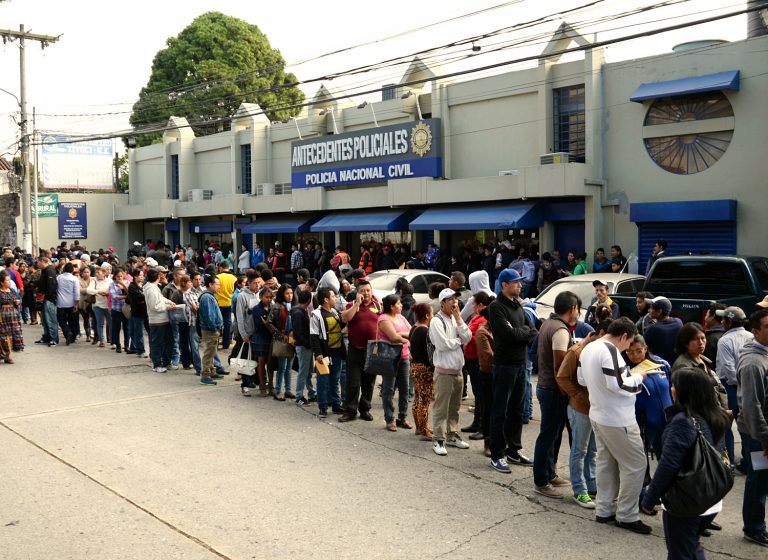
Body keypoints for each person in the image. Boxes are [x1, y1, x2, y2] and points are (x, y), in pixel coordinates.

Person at [640, 367, 731, 558]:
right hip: (711, 498)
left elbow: (668, 465)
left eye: (674, 386)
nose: (671, 389)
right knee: (691, 546)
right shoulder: (718, 416)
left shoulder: (683, 422)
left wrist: (649, 499)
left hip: (686, 501)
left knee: (680, 553)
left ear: (684, 392)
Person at [577, 317, 652, 535]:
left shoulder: (589, 347)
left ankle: (604, 510)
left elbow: (582, 379)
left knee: (606, 463)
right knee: (636, 465)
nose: (628, 348)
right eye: (628, 343)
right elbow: (618, 384)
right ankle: (627, 515)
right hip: (618, 419)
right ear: (623, 336)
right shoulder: (609, 351)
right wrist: (639, 377)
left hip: (599, 415)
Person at [487, 269, 537, 472]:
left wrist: (521, 332)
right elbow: (508, 335)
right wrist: (522, 333)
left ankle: (513, 449)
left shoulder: (518, 306)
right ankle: (497, 454)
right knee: (500, 410)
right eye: (516, 282)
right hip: (505, 365)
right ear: (504, 285)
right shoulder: (496, 307)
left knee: (517, 410)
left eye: (520, 282)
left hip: (520, 364)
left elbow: (532, 331)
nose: (520, 285)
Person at [533, 290, 580, 499]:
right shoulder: (560, 330)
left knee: (553, 435)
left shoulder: (548, 324)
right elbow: (559, 368)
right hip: (553, 390)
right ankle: (541, 481)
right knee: (547, 436)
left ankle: (550, 473)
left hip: (546, 387)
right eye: (577, 308)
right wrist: (567, 393)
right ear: (572, 309)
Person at [737, 309, 768, 547]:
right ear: (755, 332)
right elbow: (751, 405)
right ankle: (754, 527)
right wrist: (765, 438)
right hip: (758, 435)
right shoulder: (753, 363)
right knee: (758, 480)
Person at [430, 288, 472, 456]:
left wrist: (459, 319)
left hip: (458, 370)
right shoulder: (436, 321)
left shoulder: (456, 319)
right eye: (450, 299)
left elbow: (468, 337)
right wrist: (458, 340)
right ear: (442, 303)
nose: (454, 302)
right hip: (444, 372)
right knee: (441, 407)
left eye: (455, 298)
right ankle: (438, 439)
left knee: (454, 407)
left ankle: (451, 435)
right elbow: (442, 345)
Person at [623, 335, 671, 462]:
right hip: (644, 425)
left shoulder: (661, 364)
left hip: (667, 421)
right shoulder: (627, 373)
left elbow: (671, 387)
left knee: (667, 460)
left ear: (646, 348)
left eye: (639, 351)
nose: (635, 355)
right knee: (640, 463)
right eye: (630, 352)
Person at [716, 305, 753, 469]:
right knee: (747, 425)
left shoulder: (725, 340)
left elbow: (729, 370)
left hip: (731, 387)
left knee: (726, 423)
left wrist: (738, 384)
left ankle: (729, 460)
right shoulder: (752, 336)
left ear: (729, 322)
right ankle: (747, 460)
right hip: (748, 385)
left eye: (723, 319)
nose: (721, 321)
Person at [339, 280, 380, 422]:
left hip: (372, 351)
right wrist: (356, 304)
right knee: (353, 382)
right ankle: (350, 411)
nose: (366, 293)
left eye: (368, 290)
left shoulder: (378, 305)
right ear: (358, 292)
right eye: (363, 291)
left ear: (372, 291)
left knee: (369, 383)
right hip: (355, 349)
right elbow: (344, 318)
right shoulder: (351, 304)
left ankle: (365, 409)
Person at [671, 323, 728, 414]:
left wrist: (724, 410)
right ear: (685, 343)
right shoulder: (683, 366)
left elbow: (718, 388)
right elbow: (689, 400)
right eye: (695, 339)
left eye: (703, 338)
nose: (701, 342)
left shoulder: (704, 360)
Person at [377, 294, 412, 432]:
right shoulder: (383, 319)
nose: (401, 305)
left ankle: (402, 417)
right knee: (388, 389)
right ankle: (389, 418)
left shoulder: (401, 317)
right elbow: (393, 337)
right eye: (398, 304)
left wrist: (402, 335)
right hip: (389, 358)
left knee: (405, 388)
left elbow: (412, 332)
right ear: (391, 307)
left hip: (404, 356)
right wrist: (405, 336)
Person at [310, 287, 345, 418]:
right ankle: (323, 407)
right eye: (333, 296)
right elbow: (313, 336)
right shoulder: (316, 314)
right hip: (324, 355)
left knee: (335, 380)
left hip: (337, 352)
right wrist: (318, 353)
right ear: (326, 299)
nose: (335, 298)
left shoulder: (335, 312)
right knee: (323, 381)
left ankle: (336, 405)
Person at [409, 303, 434, 440]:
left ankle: (420, 427)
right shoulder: (425, 331)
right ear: (426, 316)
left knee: (418, 398)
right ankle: (424, 430)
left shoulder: (414, 328)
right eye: (432, 313)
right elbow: (429, 353)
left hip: (415, 367)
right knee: (424, 400)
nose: (433, 316)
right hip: (424, 368)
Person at [143, 267, 176, 373]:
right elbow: (155, 306)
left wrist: (169, 302)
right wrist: (167, 307)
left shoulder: (154, 287)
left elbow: (161, 299)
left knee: (169, 341)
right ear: (157, 277)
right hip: (157, 321)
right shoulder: (151, 289)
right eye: (161, 275)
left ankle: (166, 362)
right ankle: (157, 365)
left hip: (163, 319)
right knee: (157, 343)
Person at [475, 304, 495, 457]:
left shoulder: (501, 328)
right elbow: (488, 354)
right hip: (487, 373)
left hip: (500, 372)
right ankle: (488, 442)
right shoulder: (482, 331)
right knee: (487, 409)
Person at [197, 274, 224, 386]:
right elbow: (209, 316)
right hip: (210, 330)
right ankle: (205, 375)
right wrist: (214, 328)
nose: (219, 287)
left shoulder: (209, 296)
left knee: (212, 351)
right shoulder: (207, 297)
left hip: (212, 329)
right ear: (210, 285)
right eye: (217, 284)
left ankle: (212, 371)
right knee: (209, 352)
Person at [251, 287, 277, 397]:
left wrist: (267, 323)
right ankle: (262, 385)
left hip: (271, 338)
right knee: (261, 362)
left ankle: (271, 385)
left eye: (271, 297)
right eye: (267, 297)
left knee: (270, 363)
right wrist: (267, 324)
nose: (269, 299)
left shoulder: (273, 307)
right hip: (260, 338)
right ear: (261, 297)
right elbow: (259, 324)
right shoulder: (256, 309)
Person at [291, 289, 316, 405]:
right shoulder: (298, 313)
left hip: (306, 345)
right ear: (308, 300)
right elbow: (299, 334)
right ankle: (299, 396)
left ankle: (311, 392)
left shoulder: (300, 311)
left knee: (308, 371)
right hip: (303, 346)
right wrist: (308, 344)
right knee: (303, 371)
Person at [271, 284, 295, 401]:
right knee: (282, 367)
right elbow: (268, 323)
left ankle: (288, 389)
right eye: (287, 293)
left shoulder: (294, 306)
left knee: (289, 366)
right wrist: (280, 335)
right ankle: (278, 390)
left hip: (292, 340)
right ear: (282, 294)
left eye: (291, 293)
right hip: (281, 340)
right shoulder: (276, 307)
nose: (290, 296)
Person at [643, 296, 682, 365]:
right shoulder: (679, 322)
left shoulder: (652, 329)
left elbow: (642, 346)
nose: (649, 310)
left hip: (660, 366)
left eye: (651, 308)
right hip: (677, 364)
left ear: (659, 311)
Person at [56, 262, 80, 346]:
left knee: (61, 321)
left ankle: (67, 332)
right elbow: (77, 293)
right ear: (72, 270)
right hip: (71, 303)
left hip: (60, 303)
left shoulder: (59, 277)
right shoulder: (75, 279)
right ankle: (72, 337)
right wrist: (76, 304)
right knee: (72, 320)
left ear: (64, 269)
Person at [87, 266, 111, 348]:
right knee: (100, 324)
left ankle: (113, 341)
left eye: (98, 273)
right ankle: (102, 340)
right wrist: (98, 291)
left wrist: (108, 293)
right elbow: (89, 290)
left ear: (104, 273)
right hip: (97, 305)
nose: (96, 274)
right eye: (96, 273)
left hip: (108, 306)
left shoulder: (109, 281)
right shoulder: (94, 281)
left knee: (111, 324)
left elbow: (113, 290)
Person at [0, 270, 22, 361]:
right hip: (2, 318)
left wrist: (17, 302)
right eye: (7, 280)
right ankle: (3, 354)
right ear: (1, 282)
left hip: (13, 317)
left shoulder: (12, 290)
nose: (9, 282)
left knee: (13, 335)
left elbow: (17, 299)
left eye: (10, 280)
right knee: (3, 336)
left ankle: (8, 355)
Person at [216, 262, 237, 350]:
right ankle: (226, 343)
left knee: (217, 324)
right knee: (227, 324)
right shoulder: (234, 278)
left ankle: (216, 344)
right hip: (229, 303)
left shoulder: (218, 277)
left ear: (221, 268)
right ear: (228, 268)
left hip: (219, 303)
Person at [127, 269, 148, 358]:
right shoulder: (132, 286)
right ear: (135, 276)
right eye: (140, 275)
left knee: (149, 332)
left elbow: (145, 296)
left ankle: (151, 352)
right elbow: (138, 297)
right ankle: (140, 351)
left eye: (143, 275)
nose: (142, 277)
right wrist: (144, 297)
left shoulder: (145, 284)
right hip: (137, 312)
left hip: (146, 312)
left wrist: (143, 298)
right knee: (138, 333)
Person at [108, 269, 130, 353]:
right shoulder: (112, 285)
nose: (120, 278)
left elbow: (130, 292)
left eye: (121, 276)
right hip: (116, 309)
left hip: (126, 309)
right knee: (116, 328)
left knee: (126, 328)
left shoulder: (127, 283)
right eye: (118, 276)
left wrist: (123, 284)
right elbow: (115, 296)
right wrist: (126, 297)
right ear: (115, 277)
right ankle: (118, 345)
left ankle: (127, 345)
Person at [78, 266, 94, 342]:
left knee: (94, 319)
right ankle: (88, 335)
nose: (86, 274)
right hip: (83, 303)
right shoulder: (79, 281)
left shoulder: (93, 279)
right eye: (85, 272)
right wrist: (90, 290)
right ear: (82, 273)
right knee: (86, 319)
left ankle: (94, 335)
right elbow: (81, 290)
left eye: (88, 272)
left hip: (93, 302)